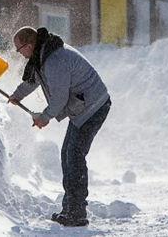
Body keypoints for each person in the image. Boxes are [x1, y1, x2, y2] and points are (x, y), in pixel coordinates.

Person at [8, 26, 110, 227]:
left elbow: (59, 99)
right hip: (82, 107)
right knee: (68, 154)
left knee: (74, 155)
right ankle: (70, 209)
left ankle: (77, 213)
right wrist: (17, 95)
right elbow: (33, 81)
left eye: (19, 50)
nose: (20, 55)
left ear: (29, 46)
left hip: (94, 106)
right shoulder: (43, 55)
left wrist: (44, 117)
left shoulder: (55, 60)